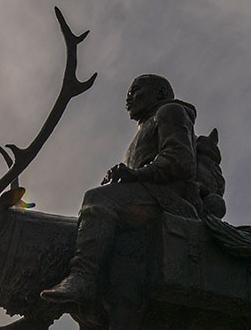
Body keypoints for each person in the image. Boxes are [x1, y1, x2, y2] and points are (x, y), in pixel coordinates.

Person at [41, 74, 198, 305]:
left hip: (166, 199)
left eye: (136, 90)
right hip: (147, 195)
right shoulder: (145, 127)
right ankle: (42, 311)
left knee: (97, 198)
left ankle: (82, 276)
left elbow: (180, 159)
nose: (129, 98)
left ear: (161, 93)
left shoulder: (170, 112)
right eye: (128, 94)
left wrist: (136, 174)